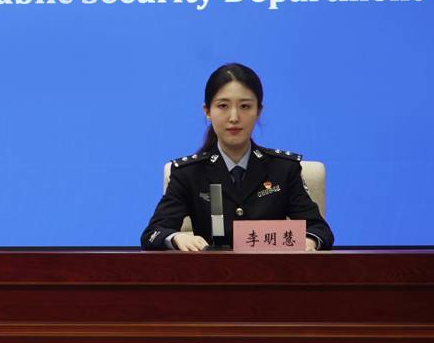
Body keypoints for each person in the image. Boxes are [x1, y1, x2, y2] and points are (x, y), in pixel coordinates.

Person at [141, 62, 333, 252]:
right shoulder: (189, 173)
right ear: (207, 111)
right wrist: (176, 237)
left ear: (258, 111)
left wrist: (309, 241)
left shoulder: (283, 169)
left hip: (270, 270)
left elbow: (319, 230)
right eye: (223, 106)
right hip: (212, 271)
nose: (234, 117)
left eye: (245, 106)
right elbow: (153, 233)